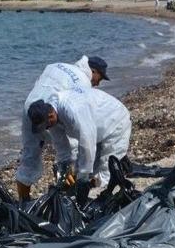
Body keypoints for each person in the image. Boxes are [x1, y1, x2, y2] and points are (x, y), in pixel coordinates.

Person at [15, 56, 109, 201]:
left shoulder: (55, 65)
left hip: (30, 105)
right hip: (53, 111)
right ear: (93, 71)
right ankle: (67, 196)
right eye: (99, 78)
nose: (97, 83)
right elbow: (80, 120)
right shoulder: (83, 81)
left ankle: (23, 201)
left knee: (30, 154)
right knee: (71, 153)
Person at [27, 87, 131, 207]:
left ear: (50, 115)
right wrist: (64, 167)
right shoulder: (51, 114)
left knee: (106, 170)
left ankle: (104, 204)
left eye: (46, 125)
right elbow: (61, 145)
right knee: (89, 171)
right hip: (95, 125)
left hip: (115, 122)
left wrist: (83, 176)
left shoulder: (72, 111)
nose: (46, 129)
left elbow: (87, 143)